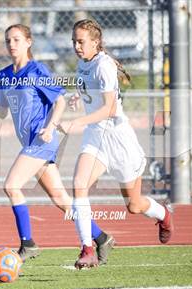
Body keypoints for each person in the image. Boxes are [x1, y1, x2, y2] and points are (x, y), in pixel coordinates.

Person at [0, 24, 114, 263]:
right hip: (30, 143)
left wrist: (51, 126)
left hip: (42, 142)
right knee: (62, 200)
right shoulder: (4, 75)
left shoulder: (36, 70)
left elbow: (60, 102)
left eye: (17, 40)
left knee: (12, 186)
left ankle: (28, 243)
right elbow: (3, 112)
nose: (12, 44)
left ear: (29, 42)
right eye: (8, 40)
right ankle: (102, 237)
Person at [65, 19, 174, 269]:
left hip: (118, 139)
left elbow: (110, 109)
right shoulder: (84, 62)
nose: (77, 46)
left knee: (134, 205)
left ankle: (163, 214)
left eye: (81, 41)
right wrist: (76, 97)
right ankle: (87, 249)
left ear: (95, 42)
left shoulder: (104, 65)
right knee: (79, 185)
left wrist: (76, 121)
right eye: (74, 41)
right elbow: (91, 92)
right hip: (95, 137)